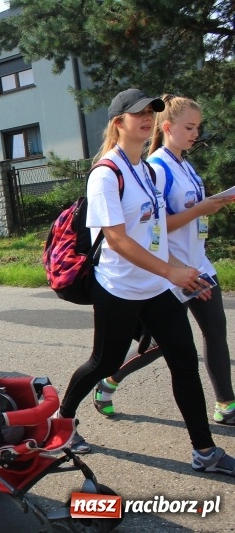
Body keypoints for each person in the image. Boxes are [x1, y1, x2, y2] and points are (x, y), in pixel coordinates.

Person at [57, 88, 235, 477]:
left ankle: (204, 451)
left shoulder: (148, 170)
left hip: (155, 287)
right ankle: (62, 422)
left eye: (151, 112)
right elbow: (118, 239)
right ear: (119, 122)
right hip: (118, 288)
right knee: (104, 360)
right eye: (138, 113)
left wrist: (184, 274)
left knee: (184, 361)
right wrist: (171, 272)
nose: (147, 118)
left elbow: (153, 233)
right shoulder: (106, 172)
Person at [93, 95, 235, 424]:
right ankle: (108, 382)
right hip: (169, 270)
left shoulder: (184, 164)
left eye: (198, 127)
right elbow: (154, 226)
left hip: (198, 264)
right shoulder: (156, 167)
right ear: (168, 128)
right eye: (189, 127)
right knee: (157, 345)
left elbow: (187, 211)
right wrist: (199, 213)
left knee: (215, 330)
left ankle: (226, 404)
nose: (195, 133)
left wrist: (215, 201)